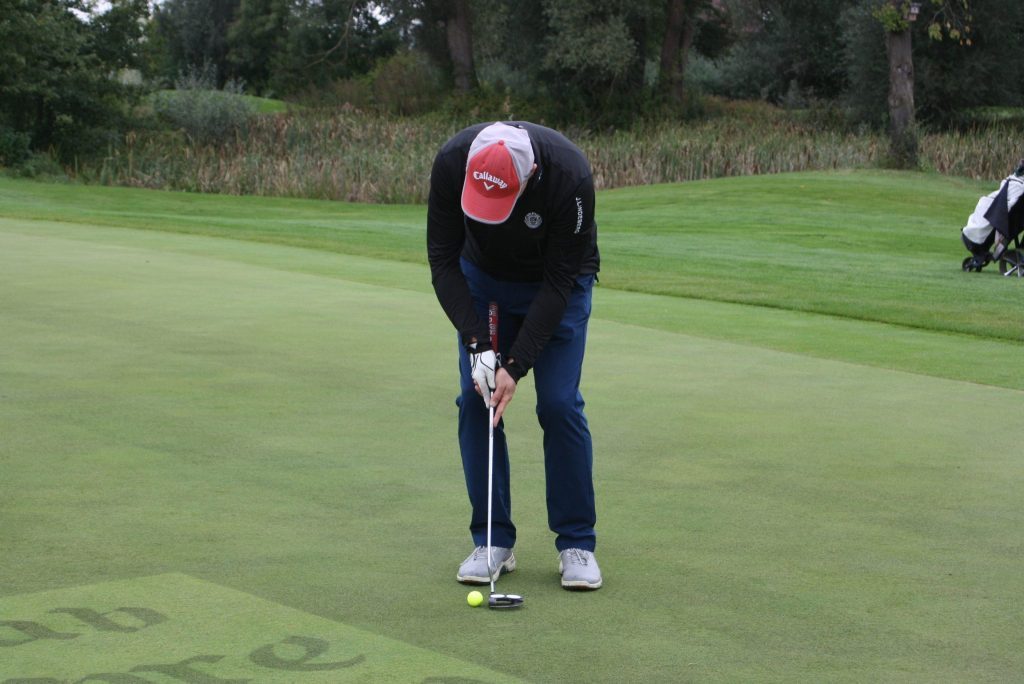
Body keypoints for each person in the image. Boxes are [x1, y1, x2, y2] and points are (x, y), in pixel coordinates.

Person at [427, 121, 602, 590]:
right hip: (484, 283)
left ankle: (576, 542)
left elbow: (560, 282)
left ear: (530, 176)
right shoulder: (452, 161)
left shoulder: (570, 176)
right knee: (477, 399)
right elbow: (442, 261)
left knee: (559, 404)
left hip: (558, 284)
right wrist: (478, 346)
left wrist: (516, 365)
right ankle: (492, 541)